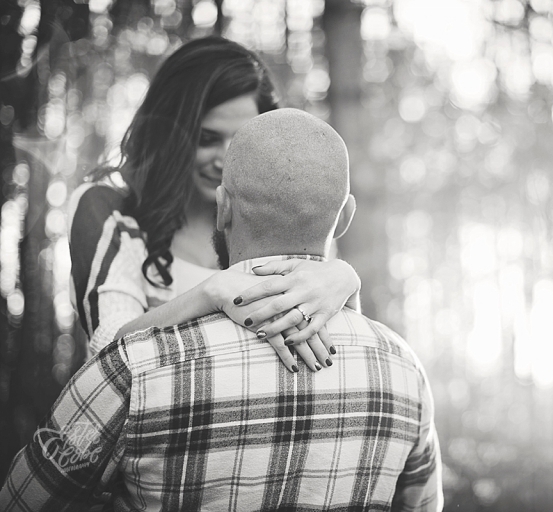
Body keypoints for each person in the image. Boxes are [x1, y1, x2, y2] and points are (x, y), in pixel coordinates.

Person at [0, 108, 443, 511]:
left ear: (223, 207)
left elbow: (23, 500)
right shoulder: (404, 370)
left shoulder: (135, 370)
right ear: (344, 217)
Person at [68, 36, 360, 371]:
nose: (224, 160)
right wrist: (211, 293)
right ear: (171, 133)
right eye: (207, 139)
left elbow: (332, 355)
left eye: (239, 142)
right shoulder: (108, 211)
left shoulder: (275, 213)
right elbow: (106, 354)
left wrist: (343, 281)